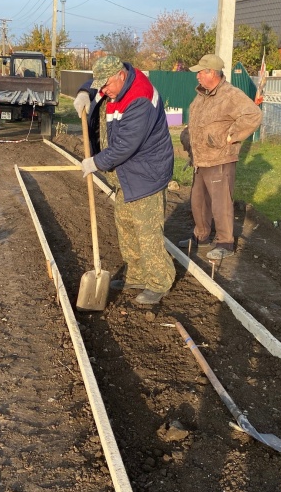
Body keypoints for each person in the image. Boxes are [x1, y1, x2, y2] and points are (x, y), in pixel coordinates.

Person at [74, 55, 176, 306]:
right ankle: (137, 275)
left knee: (147, 232)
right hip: (126, 174)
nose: (103, 90)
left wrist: (95, 163)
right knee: (127, 226)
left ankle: (158, 282)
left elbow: (125, 146)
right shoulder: (115, 82)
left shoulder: (139, 98)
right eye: (100, 86)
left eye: (106, 85)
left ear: (120, 75)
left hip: (146, 173)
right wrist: (83, 92)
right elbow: (94, 82)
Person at [180, 53, 262, 260]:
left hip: (220, 158)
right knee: (198, 201)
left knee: (221, 203)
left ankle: (225, 242)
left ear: (212, 73)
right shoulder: (202, 95)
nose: (197, 76)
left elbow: (253, 115)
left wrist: (229, 136)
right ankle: (202, 235)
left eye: (200, 72)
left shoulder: (230, 95)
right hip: (201, 158)